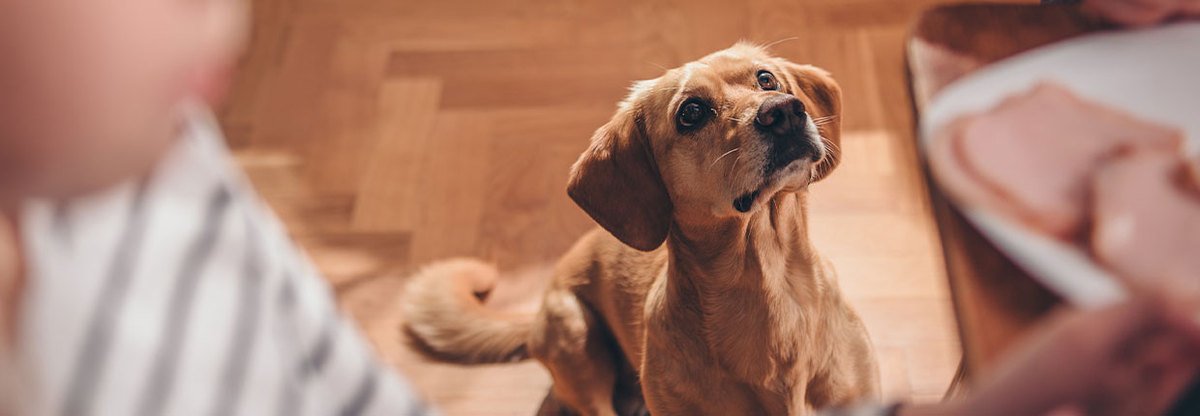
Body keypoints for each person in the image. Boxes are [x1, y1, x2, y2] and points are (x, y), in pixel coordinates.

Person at [0, 0, 1197, 416]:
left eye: (778, 91)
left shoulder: (142, 164)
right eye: (701, 119)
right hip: (637, 344)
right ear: (640, 189)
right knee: (574, 344)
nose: (771, 112)